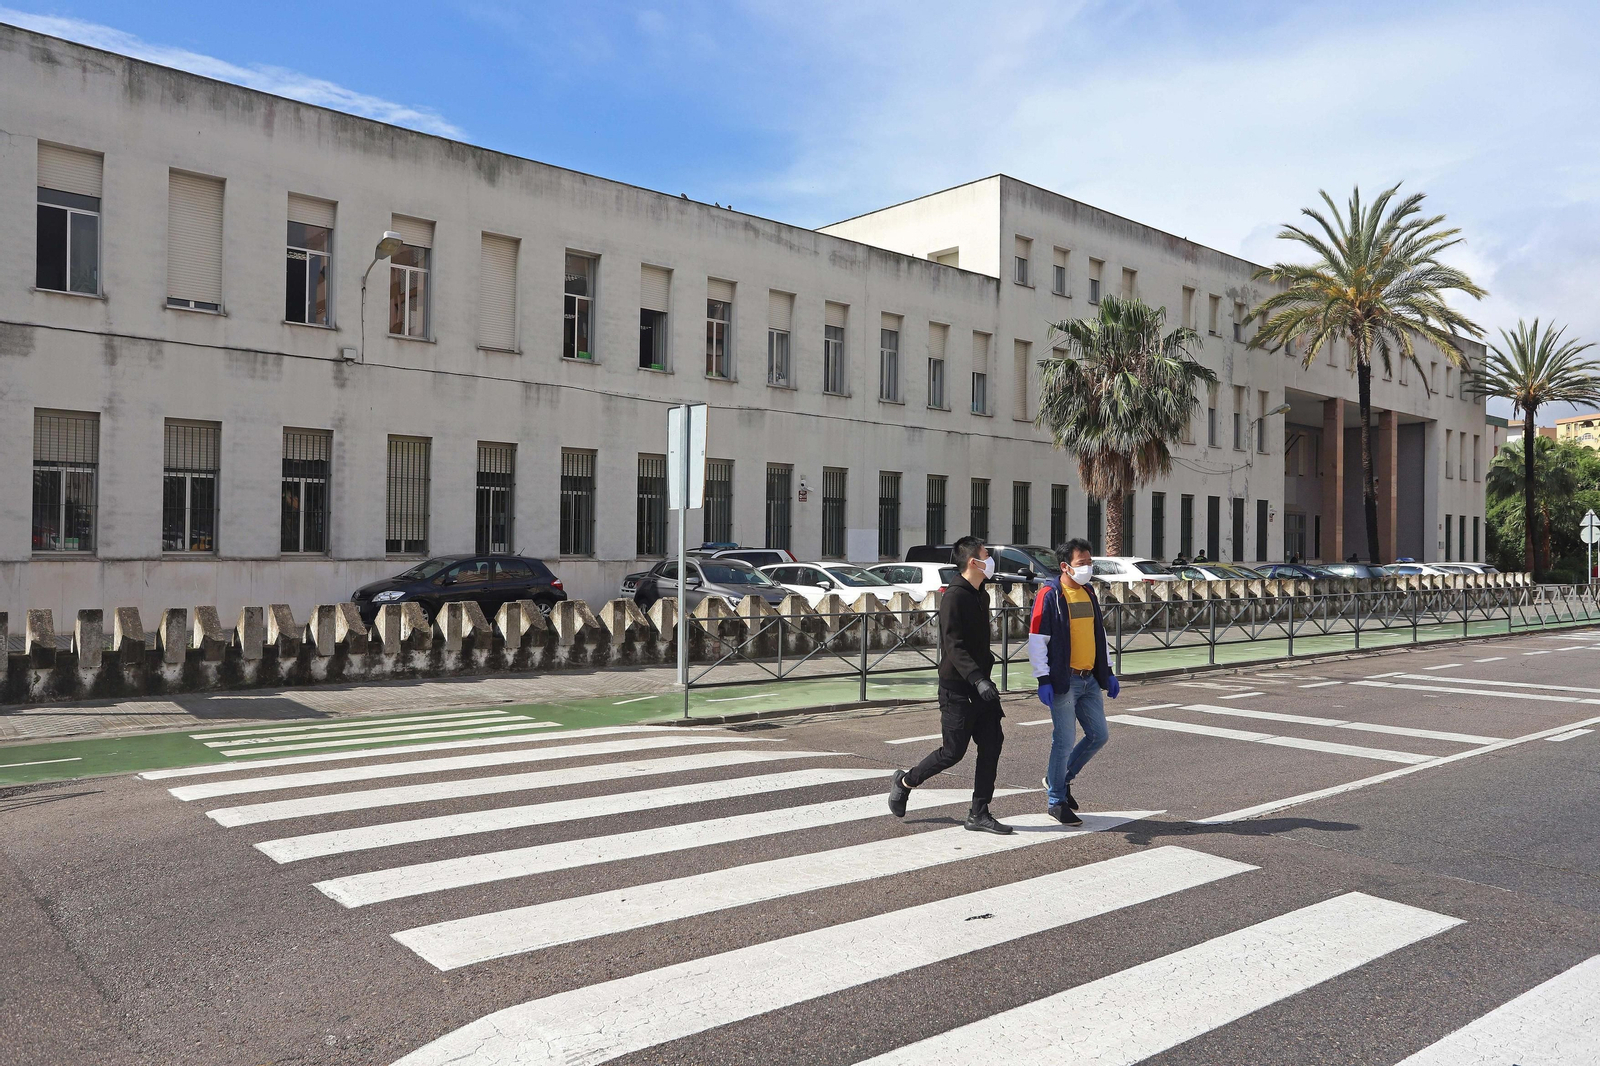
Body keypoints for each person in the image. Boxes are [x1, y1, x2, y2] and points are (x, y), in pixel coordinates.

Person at [887, 536, 1012, 834]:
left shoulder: (981, 594)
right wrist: (977, 679)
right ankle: (905, 781)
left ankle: (979, 813)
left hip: (981, 686)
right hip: (958, 688)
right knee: (953, 752)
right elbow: (953, 646)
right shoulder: (955, 596)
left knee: (993, 744)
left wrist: (985, 678)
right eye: (986, 554)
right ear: (974, 562)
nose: (990, 559)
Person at [1027, 537, 1119, 824]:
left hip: (1090, 678)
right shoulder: (1051, 594)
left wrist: (1109, 670)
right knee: (1064, 740)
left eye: (1090, 562)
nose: (1088, 568)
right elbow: (1037, 640)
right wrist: (1043, 678)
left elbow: (1098, 634)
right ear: (1065, 566)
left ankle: (1061, 778)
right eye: (1082, 563)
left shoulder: (1089, 592)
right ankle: (1056, 800)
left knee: (1099, 735)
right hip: (1063, 680)